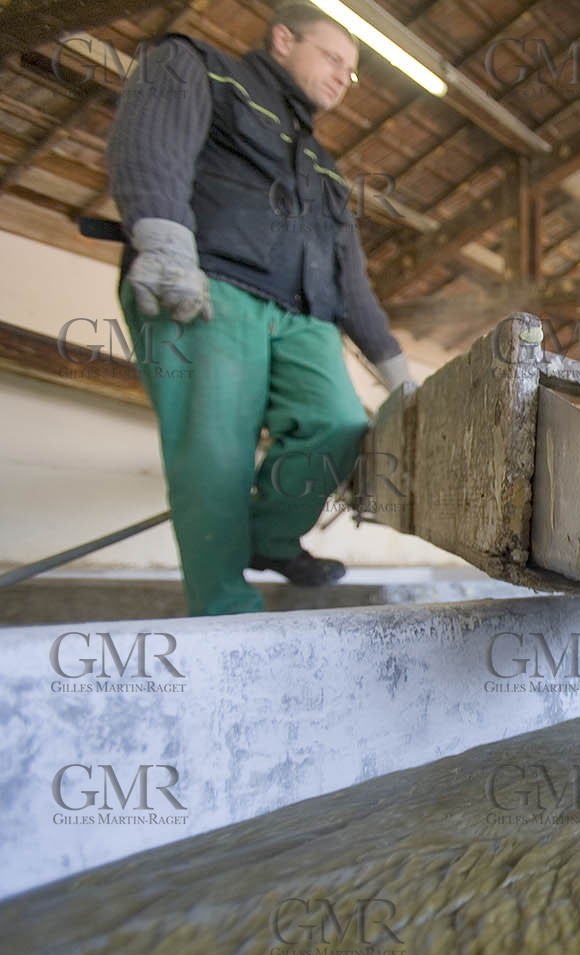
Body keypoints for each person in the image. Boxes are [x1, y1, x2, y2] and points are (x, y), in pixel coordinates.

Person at [106, 2, 413, 616]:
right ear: (282, 39)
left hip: (303, 315)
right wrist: (164, 238)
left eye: (351, 73)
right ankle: (225, 611)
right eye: (333, 58)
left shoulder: (323, 169)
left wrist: (399, 375)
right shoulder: (198, 65)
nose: (342, 80)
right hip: (206, 287)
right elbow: (153, 138)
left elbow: (350, 278)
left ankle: (271, 538)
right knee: (215, 450)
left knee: (338, 424)